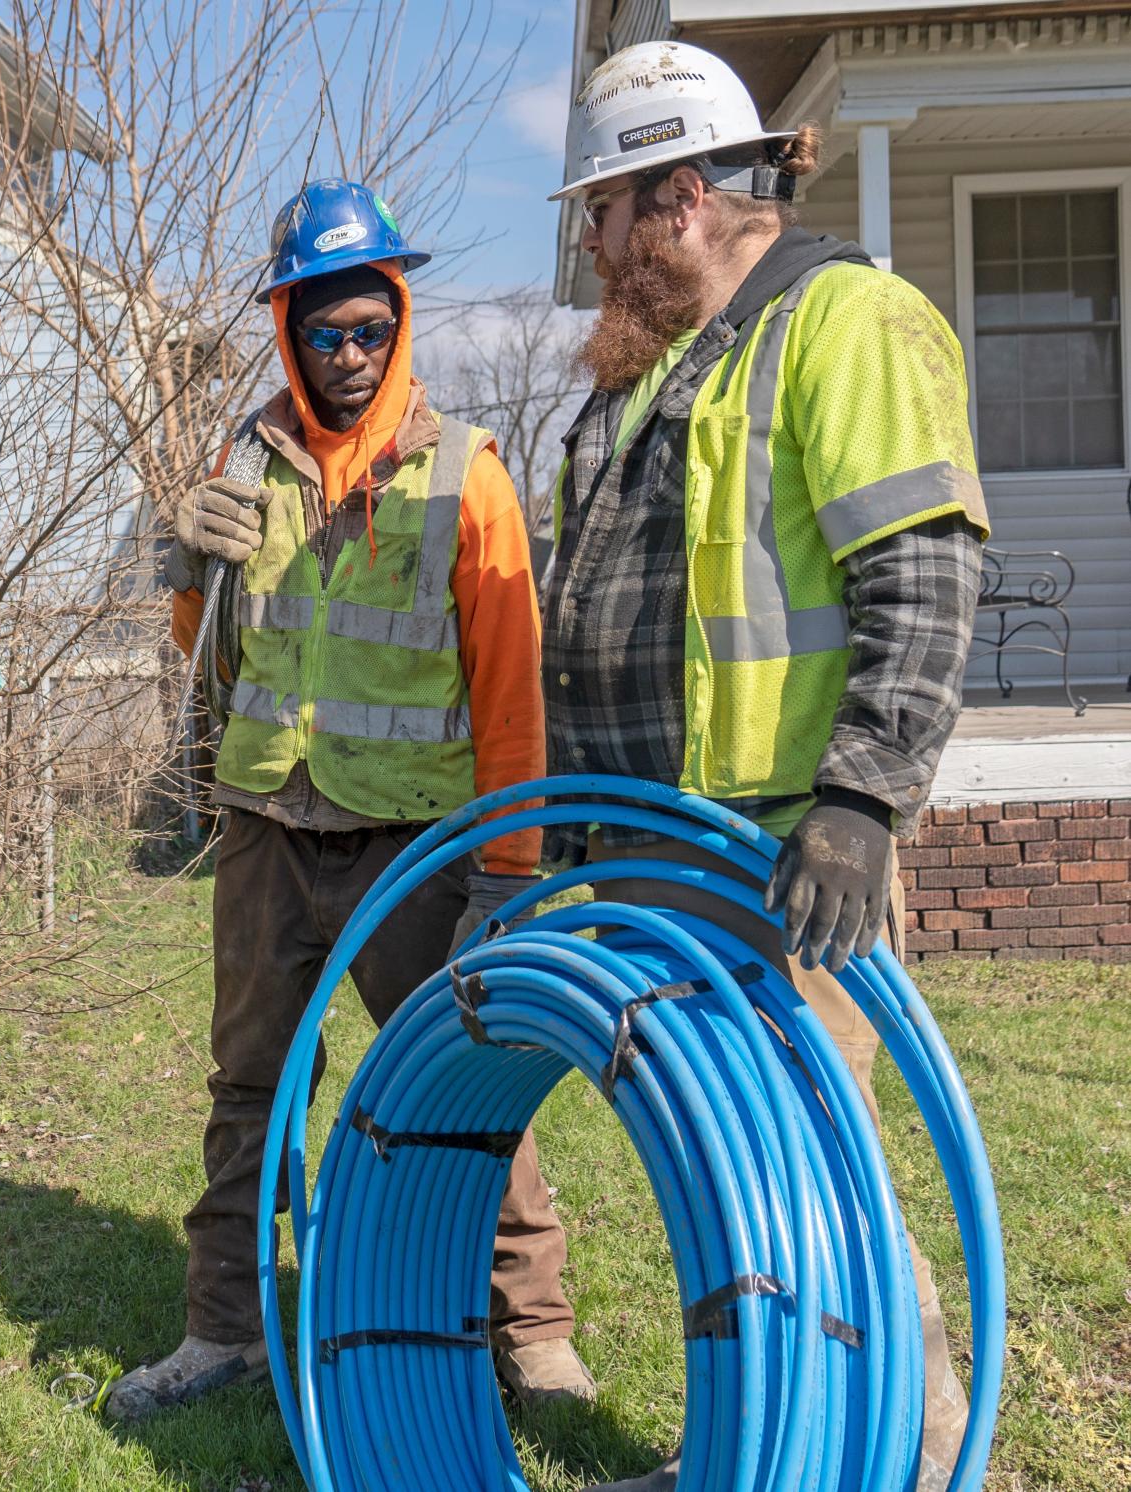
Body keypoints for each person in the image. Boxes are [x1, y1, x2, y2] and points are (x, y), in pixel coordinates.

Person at [543, 42, 989, 1492]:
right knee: (715, 1177)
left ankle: (910, 1461)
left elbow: (918, 577)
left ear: (674, 197)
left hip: (784, 855)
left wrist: (862, 802)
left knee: (818, 1179)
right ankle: (743, 1450)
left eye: (602, 217)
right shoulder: (670, 359)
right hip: (660, 845)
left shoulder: (841, 322)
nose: (593, 249)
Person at [105, 178, 593, 1420]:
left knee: (470, 1077)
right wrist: (184, 565)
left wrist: (511, 869)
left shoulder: (468, 477)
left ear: (401, 318)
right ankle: (225, 1327)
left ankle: (531, 1332)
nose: (349, 355)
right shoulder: (244, 468)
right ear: (289, 329)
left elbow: (512, 695)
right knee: (250, 1087)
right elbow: (208, 658)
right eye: (323, 331)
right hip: (272, 830)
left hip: (417, 844)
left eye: (370, 325)